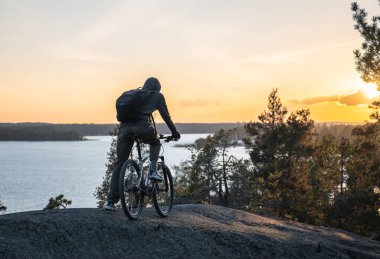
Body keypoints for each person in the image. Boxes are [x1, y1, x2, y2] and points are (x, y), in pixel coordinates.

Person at [104, 77, 180, 210]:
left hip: (124, 129)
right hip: (142, 127)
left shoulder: (133, 94)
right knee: (155, 143)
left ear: (145, 85)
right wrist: (174, 132)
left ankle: (110, 202)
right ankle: (152, 170)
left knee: (120, 163)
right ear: (157, 88)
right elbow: (166, 117)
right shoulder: (157, 96)